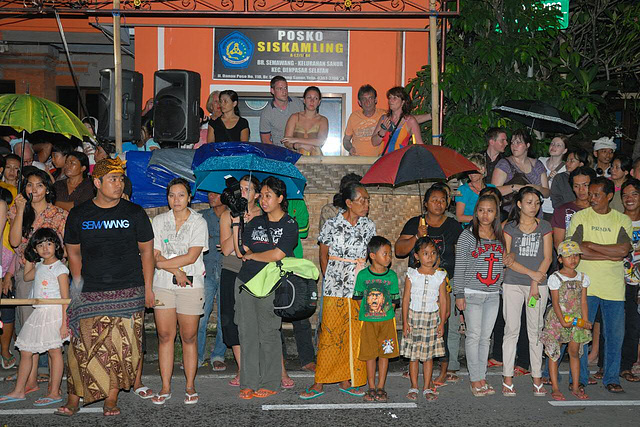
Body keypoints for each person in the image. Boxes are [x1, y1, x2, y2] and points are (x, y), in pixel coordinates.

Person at [57, 157, 154, 416]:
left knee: (121, 350)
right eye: (112, 179)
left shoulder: (134, 213)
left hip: (128, 289)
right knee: (81, 348)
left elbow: (147, 253)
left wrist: (148, 288)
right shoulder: (79, 214)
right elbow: (73, 254)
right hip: (90, 291)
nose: (118, 184)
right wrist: (77, 287)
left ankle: (111, 399)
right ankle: (74, 398)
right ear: (97, 182)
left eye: (121, 179)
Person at [300, 182, 375, 400]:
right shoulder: (331, 225)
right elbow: (323, 255)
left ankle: (347, 378)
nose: (366, 204)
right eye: (362, 200)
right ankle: (319, 381)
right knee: (330, 334)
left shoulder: (369, 226)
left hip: (359, 288)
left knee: (354, 335)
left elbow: (371, 258)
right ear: (349, 203)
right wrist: (330, 278)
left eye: (367, 199)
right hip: (334, 286)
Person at [232, 176, 298, 400]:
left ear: (280, 198)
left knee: (269, 333)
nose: (263, 200)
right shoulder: (255, 221)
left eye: (269, 195)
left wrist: (254, 256)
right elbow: (242, 251)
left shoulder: (290, 224)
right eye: (262, 195)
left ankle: (270, 381)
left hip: (271, 284)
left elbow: (278, 254)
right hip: (246, 283)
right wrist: (239, 222)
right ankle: (248, 382)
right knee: (247, 333)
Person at [567, 176, 632, 394]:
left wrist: (591, 246)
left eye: (596, 194)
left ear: (609, 196)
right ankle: (580, 377)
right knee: (581, 334)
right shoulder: (580, 217)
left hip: (613, 287)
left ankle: (612, 377)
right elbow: (574, 249)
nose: (591, 198)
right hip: (585, 285)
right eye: (590, 193)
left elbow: (624, 251)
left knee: (614, 335)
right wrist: (609, 255)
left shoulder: (621, 220)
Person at [395, 185, 462, 384]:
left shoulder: (453, 225)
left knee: (445, 325)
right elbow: (399, 250)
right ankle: (415, 366)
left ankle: (445, 368)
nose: (438, 204)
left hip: (443, 283)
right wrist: (417, 235)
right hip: (418, 286)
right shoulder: (416, 223)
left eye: (442, 200)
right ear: (425, 203)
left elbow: (463, 252)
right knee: (416, 326)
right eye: (434, 199)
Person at [151, 178, 208, 405]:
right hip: (163, 285)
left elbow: (192, 256)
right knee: (165, 336)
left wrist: (169, 266)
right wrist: (176, 271)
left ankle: (190, 385)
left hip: (191, 286)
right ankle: (165, 386)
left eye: (181, 195)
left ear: (189, 197)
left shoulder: (198, 222)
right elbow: (154, 255)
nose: (176, 200)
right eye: (172, 195)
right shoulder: (158, 220)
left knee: (189, 337)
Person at [0, 228, 69, 406]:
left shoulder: (60, 268)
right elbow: (27, 275)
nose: (45, 248)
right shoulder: (39, 266)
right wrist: (30, 253)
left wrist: (64, 323)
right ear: (35, 249)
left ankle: (54, 392)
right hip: (39, 313)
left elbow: (65, 298)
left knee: (54, 351)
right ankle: (19, 390)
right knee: (26, 350)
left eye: (49, 243)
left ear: (56, 245)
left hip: (53, 313)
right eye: (40, 245)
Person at [501, 187, 552, 397]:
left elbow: (548, 257)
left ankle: (537, 378)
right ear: (519, 204)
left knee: (536, 331)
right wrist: (533, 275)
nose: (534, 206)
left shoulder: (545, 226)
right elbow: (508, 261)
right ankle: (507, 378)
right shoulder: (509, 227)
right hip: (513, 283)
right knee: (511, 330)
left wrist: (535, 281)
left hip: (538, 285)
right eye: (529, 202)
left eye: (537, 203)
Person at [453, 194, 507, 396]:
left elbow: (502, 263)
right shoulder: (467, 236)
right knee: (473, 336)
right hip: (472, 293)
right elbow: (460, 267)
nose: (485, 214)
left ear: (496, 213)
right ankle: (475, 379)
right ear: (476, 212)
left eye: (490, 210)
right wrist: (459, 293)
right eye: (482, 210)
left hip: (493, 294)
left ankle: (481, 376)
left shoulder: (500, 236)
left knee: (486, 338)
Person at [9, 169, 67, 334]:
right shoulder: (16, 210)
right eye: (29, 185)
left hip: (52, 275)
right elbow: (14, 242)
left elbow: (68, 249)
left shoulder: (59, 215)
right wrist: (20, 210)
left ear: (47, 189)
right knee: (29, 326)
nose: (33, 190)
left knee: (51, 326)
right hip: (26, 274)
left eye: (39, 185)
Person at [219, 175, 262, 387]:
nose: (243, 193)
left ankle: (260, 366)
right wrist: (238, 220)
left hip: (255, 272)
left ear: (257, 194)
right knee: (230, 320)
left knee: (254, 321)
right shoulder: (227, 215)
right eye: (241, 189)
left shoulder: (263, 215)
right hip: (231, 271)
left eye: (248, 189)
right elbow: (227, 250)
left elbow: (261, 247)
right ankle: (242, 368)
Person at [540, 239, 592, 401]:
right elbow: (555, 302)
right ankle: (555, 387)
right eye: (568, 256)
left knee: (574, 352)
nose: (573, 259)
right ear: (560, 258)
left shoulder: (583, 277)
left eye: (576, 256)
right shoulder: (555, 278)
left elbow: (583, 301)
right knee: (554, 354)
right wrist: (562, 321)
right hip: (558, 320)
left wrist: (585, 321)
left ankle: (575, 386)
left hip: (576, 320)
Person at [352, 236, 399, 402]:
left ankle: (381, 387)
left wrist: (384, 313)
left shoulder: (392, 276)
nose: (388, 257)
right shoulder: (363, 275)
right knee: (370, 354)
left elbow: (394, 301)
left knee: (385, 354)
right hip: (368, 323)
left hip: (386, 323)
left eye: (389, 254)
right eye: (385, 254)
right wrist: (368, 313)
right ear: (372, 256)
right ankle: (371, 387)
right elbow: (357, 297)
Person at [402, 237, 448, 401]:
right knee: (414, 356)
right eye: (425, 253)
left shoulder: (440, 276)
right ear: (416, 256)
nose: (430, 257)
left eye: (433, 253)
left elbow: (443, 300)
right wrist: (405, 322)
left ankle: (427, 387)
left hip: (431, 319)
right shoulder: (412, 274)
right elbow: (406, 299)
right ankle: (413, 386)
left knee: (428, 356)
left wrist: (442, 322)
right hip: (414, 318)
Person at [197, 192, 228, 371]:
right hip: (206, 271)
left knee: (224, 317)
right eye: (209, 193)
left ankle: (218, 354)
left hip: (227, 271)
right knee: (201, 316)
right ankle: (197, 356)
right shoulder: (201, 217)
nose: (211, 196)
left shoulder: (234, 216)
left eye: (215, 193)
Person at [492, 130, 550, 204]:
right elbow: (493, 190)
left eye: (518, 142)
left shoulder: (537, 164)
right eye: (512, 143)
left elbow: (547, 193)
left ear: (527, 145)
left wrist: (536, 188)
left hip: (534, 210)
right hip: (511, 212)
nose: (514, 146)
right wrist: (515, 187)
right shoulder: (504, 164)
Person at [619, 179, 640, 382]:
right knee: (613, 325)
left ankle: (627, 366)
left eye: (634, 194)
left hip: (637, 284)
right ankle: (606, 366)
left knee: (633, 325)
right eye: (625, 195)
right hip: (617, 280)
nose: (629, 199)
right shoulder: (617, 220)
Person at [551, 167, 596, 248]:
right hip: (570, 256)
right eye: (576, 186)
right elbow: (558, 243)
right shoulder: (562, 210)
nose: (581, 190)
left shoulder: (599, 210)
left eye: (585, 185)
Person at [370, 86, 423, 154]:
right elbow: (374, 142)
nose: (390, 101)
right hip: (384, 161)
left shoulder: (410, 121)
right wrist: (382, 131)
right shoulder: (384, 118)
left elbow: (420, 144)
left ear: (403, 102)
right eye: (389, 98)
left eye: (394, 98)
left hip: (399, 161)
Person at [282, 86, 328, 155]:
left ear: (319, 102)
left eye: (315, 98)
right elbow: (286, 141)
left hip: (316, 160)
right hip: (296, 159)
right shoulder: (294, 117)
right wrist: (299, 145)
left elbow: (321, 141)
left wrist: (297, 140)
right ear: (304, 100)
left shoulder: (323, 120)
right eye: (309, 97)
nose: (312, 101)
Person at [343, 85, 387, 156]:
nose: (367, 102)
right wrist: (350, 148)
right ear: (359, 102)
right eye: (364, 99)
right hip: (357, 160)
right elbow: (346, 140)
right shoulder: (354, 116)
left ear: (375, 100)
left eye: (370, 98)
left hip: (379, 161)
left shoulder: (384, 115)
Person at [260, 76, 304, 146]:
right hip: (280, 151)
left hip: (300, 148)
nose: (284, 91)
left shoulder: (298, 103)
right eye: (280, 89)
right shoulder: (266, 113)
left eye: (285, 88)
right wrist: (278, 152)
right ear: (272, 91)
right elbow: (265, 140)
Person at [456, 153, 496, 225]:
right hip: (470, 228)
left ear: (482, 169)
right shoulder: (463, 190)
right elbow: (459, 217)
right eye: (468, 170)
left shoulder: (491, 189)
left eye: (474, 169)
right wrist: (480, 218)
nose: (471, 173)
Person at [539, 136, 568, 220]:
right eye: (552, 144)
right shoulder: (540, 161)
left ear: (565, 150)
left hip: (553, 210)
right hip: (537, 207)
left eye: (558, 145)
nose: (554, 147)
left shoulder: (565, 169)